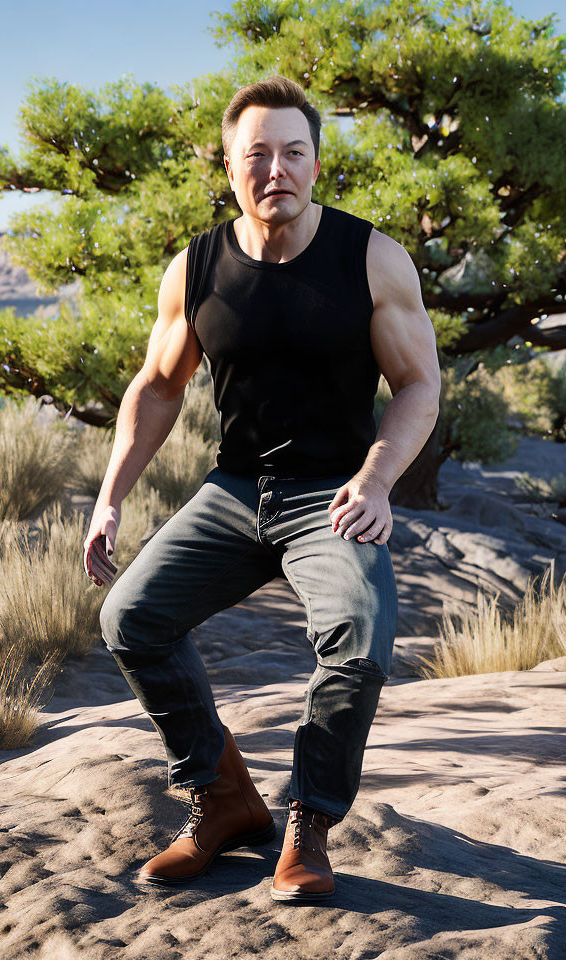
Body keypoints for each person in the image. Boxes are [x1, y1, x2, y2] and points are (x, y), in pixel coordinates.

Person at [83, 74, 440, 902]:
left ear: (316, 164)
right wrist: (111, 495)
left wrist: (378, 480)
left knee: (357, 637)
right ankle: (223, 800)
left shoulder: (372, 258)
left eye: (293, 152)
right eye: (257, 154)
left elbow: (419, 384)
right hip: (237, 490)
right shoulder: (196, 267)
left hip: (336, 494)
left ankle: (306, 825)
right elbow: (158, 387)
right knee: (130, 618)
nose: (275, 168)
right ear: (230, 165)